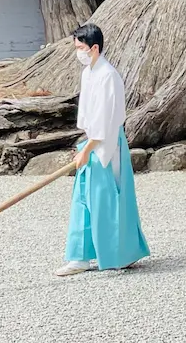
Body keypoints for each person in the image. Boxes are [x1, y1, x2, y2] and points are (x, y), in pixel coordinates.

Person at [55, 22, 150, 278]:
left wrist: (90, 148)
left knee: (107, 201)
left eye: (80, 48)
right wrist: (85, 145)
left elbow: (108, 118)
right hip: (92, 141)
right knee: (84, 199)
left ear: (94, 48)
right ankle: (80, 256)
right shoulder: (89, 73)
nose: (78, 53)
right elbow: (88, 113)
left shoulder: (109, 75)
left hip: (107, 144)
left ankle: (118, 254)